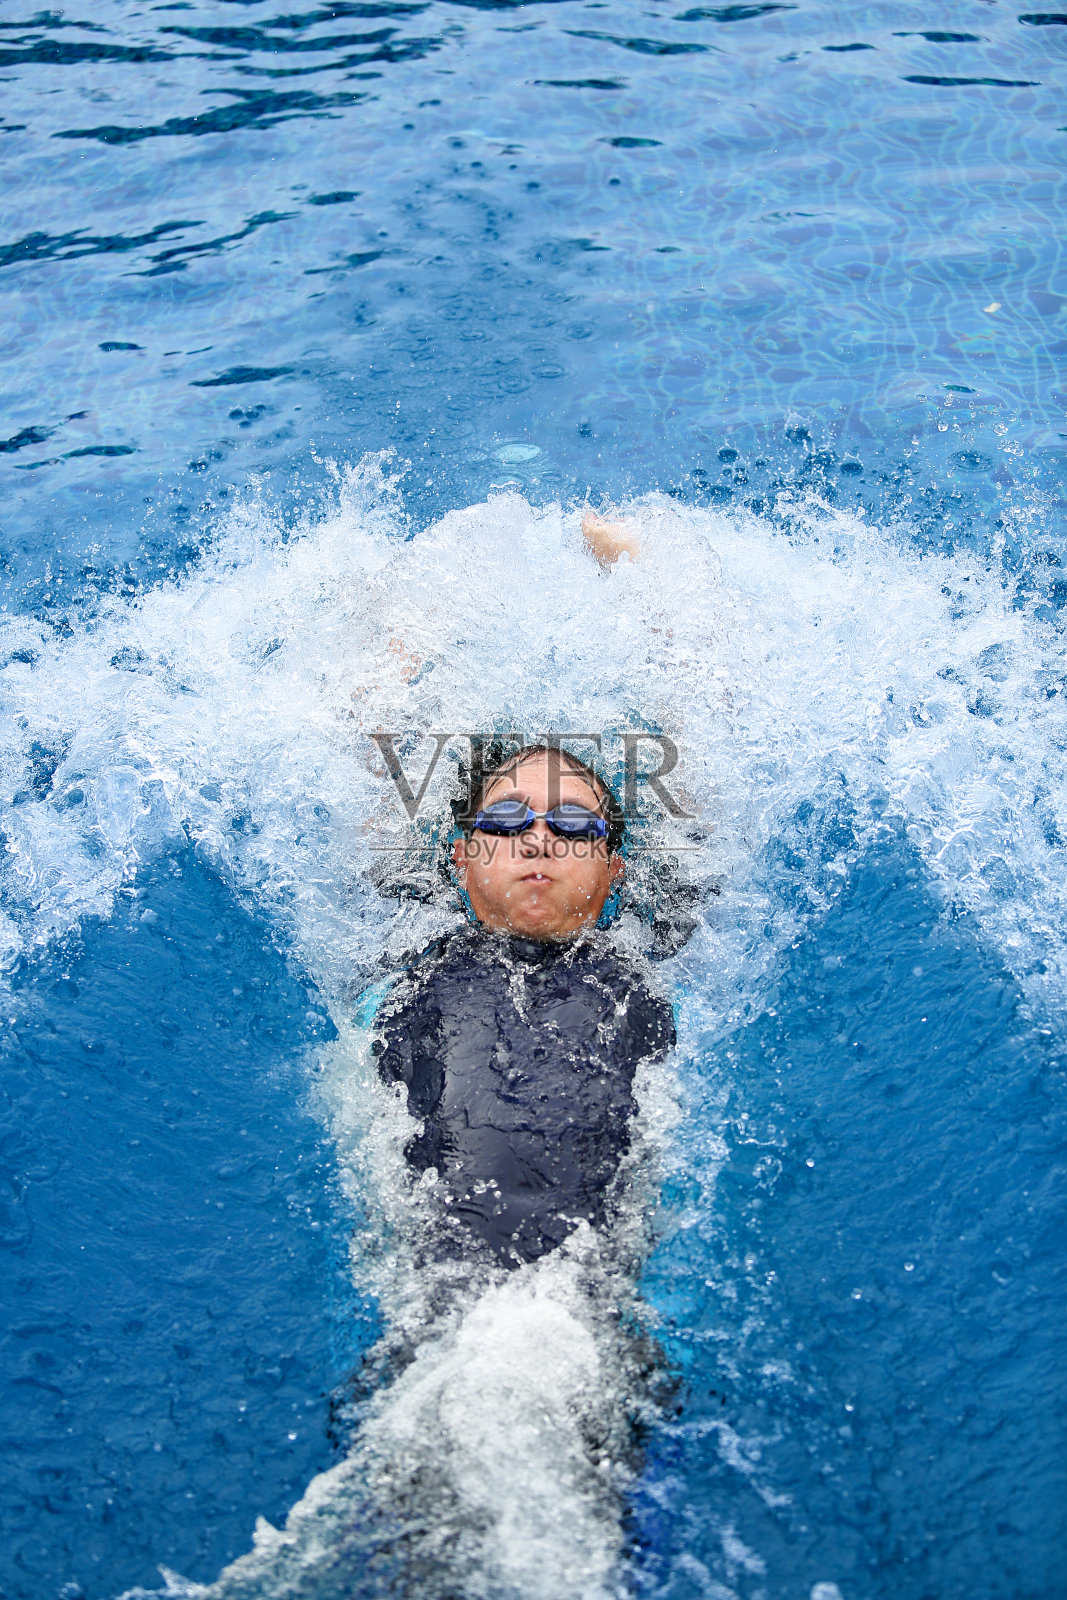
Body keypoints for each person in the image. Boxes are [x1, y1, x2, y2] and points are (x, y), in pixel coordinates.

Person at [372, 738, 676, 1269]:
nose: (538, 840)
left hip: (592, 1288)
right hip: (437, 1284)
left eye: (574, 825)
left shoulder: (661, 987)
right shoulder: (393, 982)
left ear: (613, 870)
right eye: (506, 820)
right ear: (462, 859)